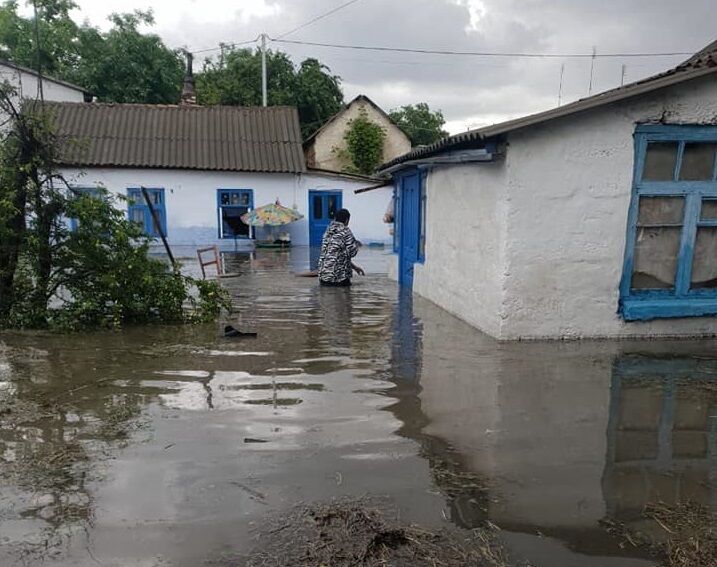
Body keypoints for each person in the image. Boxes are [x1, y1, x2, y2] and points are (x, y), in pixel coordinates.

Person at [317, 208, 365, 286]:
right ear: (347, 220)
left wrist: (355, 268)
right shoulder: (345, 231)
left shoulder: (327, 231)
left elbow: (336, 255)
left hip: (323, 277)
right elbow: (352, 253)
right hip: (338, 278)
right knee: (346, 296)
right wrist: (357, 245)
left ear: (335, 218)